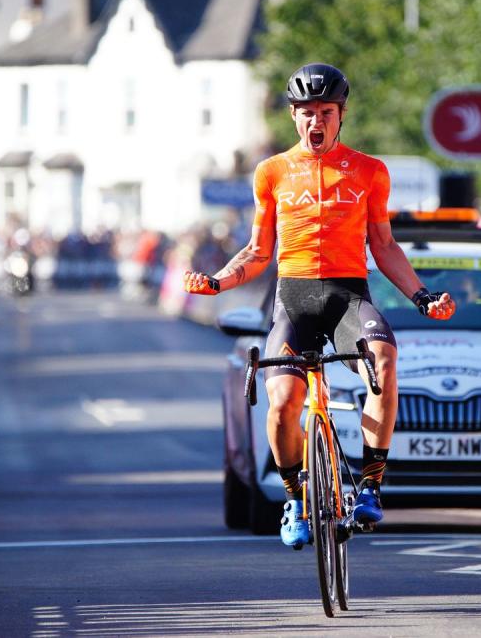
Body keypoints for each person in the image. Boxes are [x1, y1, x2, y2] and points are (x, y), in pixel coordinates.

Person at [183, 63, 456, 546]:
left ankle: (370, 485)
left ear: (341, 115)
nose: (316, 122)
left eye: (325, 112)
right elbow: (258, 250)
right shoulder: (272, 173)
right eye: (307, 112)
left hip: (349, 296)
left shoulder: (371, 171)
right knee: (283, 401)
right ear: (293, 116)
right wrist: (218, 282)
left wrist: (422, 296)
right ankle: (293, 498)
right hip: (294, 300)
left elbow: (385, 245)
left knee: (385, 359)